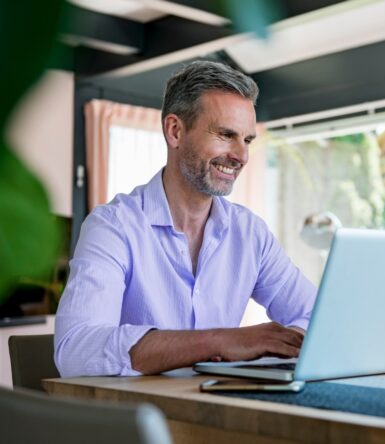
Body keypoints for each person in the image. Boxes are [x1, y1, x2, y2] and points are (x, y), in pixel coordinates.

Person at [55, 61, 316, 377]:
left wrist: (270, 346)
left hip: (220, 411)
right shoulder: (112, 227)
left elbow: (316, 316)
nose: (241, 156)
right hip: (134, 419)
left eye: (247, 140)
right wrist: (219, 341)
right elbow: (75, 351)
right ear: (175, 131)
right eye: (225, 134)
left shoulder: (250, 234)